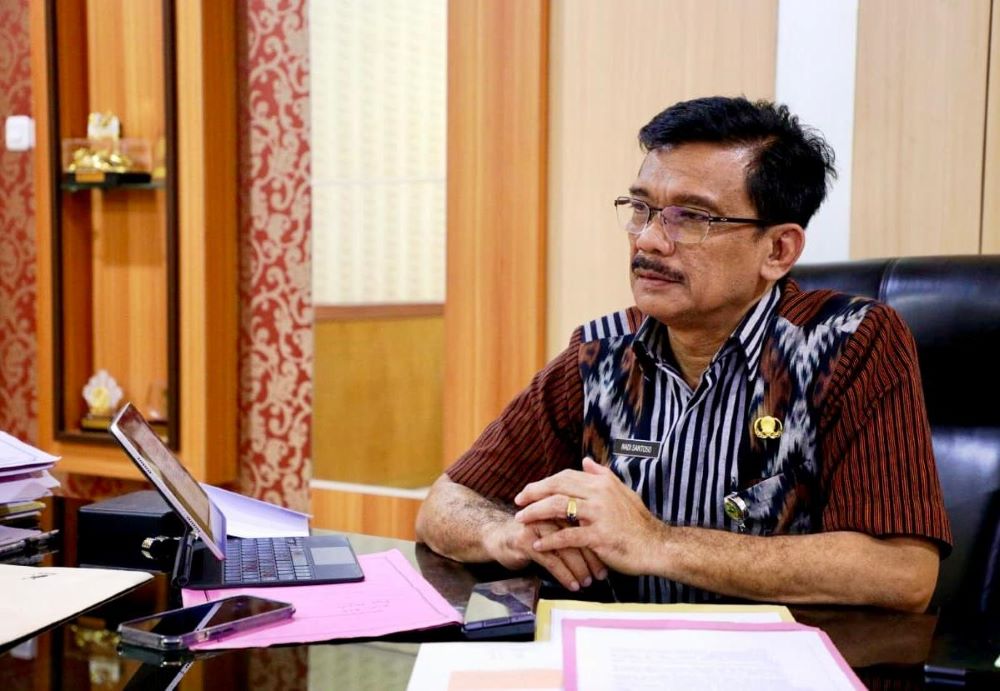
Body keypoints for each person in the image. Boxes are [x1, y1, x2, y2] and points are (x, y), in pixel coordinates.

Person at [415, 96, 951, 612]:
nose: (649, 240)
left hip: (772, 659)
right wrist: (508, 534)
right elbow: (446, 503)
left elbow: (903, 574)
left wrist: (656, 542)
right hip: (614, 654)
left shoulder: (849, 343)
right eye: (641, 209)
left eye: (692, 217)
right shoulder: (601, 353)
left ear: (777, 250)